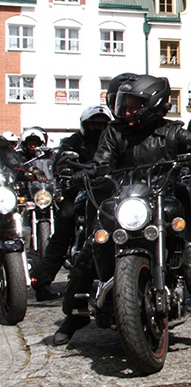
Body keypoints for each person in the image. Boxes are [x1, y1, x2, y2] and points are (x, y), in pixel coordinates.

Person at [52, 74, 191, 347]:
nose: (126, 109)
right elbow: (101, 163)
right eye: (125, 103)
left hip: (162, 200)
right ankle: (75, 313)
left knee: (185, 244)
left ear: (154, 104)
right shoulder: (115, 132)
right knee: (95, 243)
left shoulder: (172, 131)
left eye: (134, 104)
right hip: (124, 201)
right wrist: (79, 172)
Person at [30, 105, 113, 302]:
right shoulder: (74, 141)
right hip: (79, 190)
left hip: (108, 190)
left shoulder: (112, 141)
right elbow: (62, 158)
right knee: (65, 223)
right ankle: (42, 283)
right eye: (93, 124)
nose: (97, 128)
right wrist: (67, 168)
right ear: (85, 125)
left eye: (101, 125)